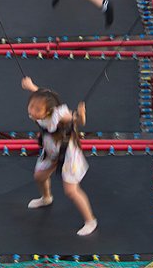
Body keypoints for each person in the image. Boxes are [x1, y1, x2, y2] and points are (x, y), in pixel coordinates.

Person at [21, 76, 97, 236]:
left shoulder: (59, 114)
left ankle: (90, 220)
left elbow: (76, 119)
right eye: (31, 106)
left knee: (71, 191)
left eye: (37, 109)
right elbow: (42, 95)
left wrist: (81, 115)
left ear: (48, 111)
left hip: (68, 154)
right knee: (39, 176)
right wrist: (31, 86)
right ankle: (46, 197)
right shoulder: (44, 103)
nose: (32, 111)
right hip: (51, 151)